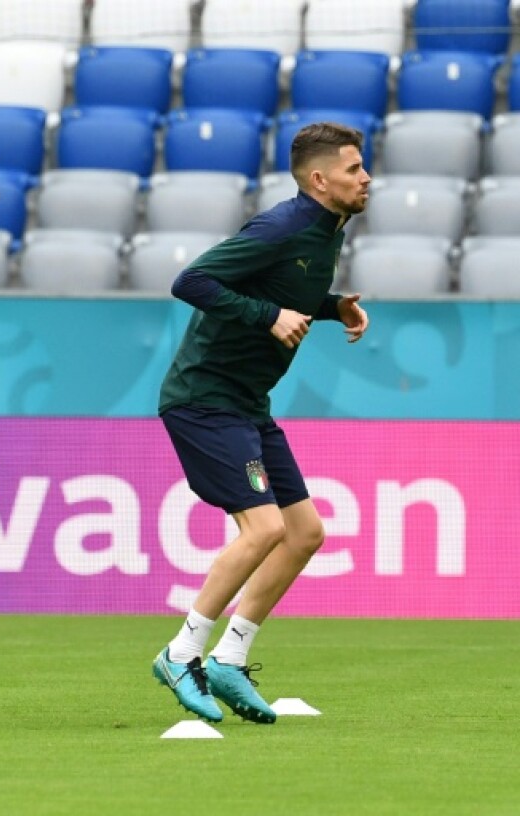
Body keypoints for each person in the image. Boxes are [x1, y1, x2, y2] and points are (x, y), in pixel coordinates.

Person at [151, 123, 372, 724]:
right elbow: (190, 281)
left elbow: (284, 289)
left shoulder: (328, 229)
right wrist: (268, 315)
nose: (366, 177)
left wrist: (331, 308)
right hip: (204, 398)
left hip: (247, 403)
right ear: (320, 179)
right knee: (263, 529)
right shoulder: (282, 226)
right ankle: (181, 652)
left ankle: (229, 656)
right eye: (354, 168)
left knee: (304, 534)